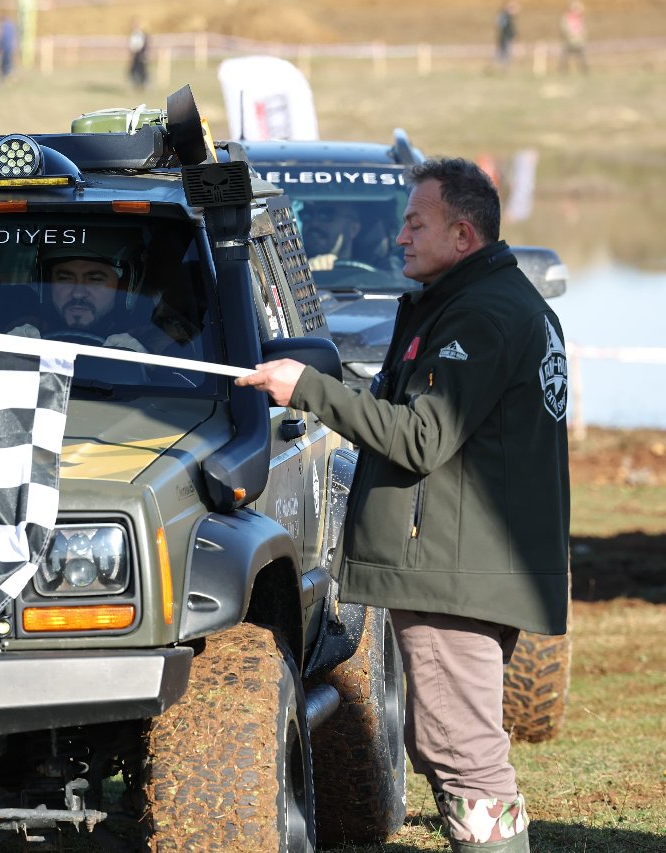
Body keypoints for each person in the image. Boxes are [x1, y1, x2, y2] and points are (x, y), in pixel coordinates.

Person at [236, 158, 569, 853]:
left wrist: (308, 390)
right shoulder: (482, 303)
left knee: (462, 749)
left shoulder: (481, 315)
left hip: (456, 571)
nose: (400, 237)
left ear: (463, 234)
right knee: (452, 740)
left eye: (416, 223)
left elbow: (421, 438)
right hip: (470, 563)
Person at [9, 232, 151, 352]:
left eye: (95, 279)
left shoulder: (152, 337)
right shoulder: (21, 332)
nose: (78, 293)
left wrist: (147, 365)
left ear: (125, 287)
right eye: (65, 279)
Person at [559, 1, 588, 74]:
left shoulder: (579, 18)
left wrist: (581, 37)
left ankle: (585, 71)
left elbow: (583, 30)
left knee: (581, 57)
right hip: (569, 41)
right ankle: (563, 71)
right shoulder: (567, 18)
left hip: (578, 41)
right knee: (565, 56)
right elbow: (564, 28)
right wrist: (570, 36)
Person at [495, 2, 519, 70]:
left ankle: (503, 67)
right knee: (504, 54)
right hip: (505, 38)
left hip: (506, 38)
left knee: (504, 54)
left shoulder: (506, 17)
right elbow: (504, 27)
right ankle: (503, 68)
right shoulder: (505, 16)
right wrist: (513, 35)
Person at [128, 20, 150, 91]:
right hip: (135, 56)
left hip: (141, 56)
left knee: (143, 71)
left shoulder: (143, 35)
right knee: (133, 71)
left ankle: (144, 85)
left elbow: (145, 45)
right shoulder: (133, 34)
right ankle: (137, 85)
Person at [0, 14, 17, 83]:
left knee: (4, 63)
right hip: (10, 47)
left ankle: (4, 77)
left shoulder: (4, 26)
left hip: (5, 48)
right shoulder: (12, 26)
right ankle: (9, 75)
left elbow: (2, 37)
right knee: (8, 62)